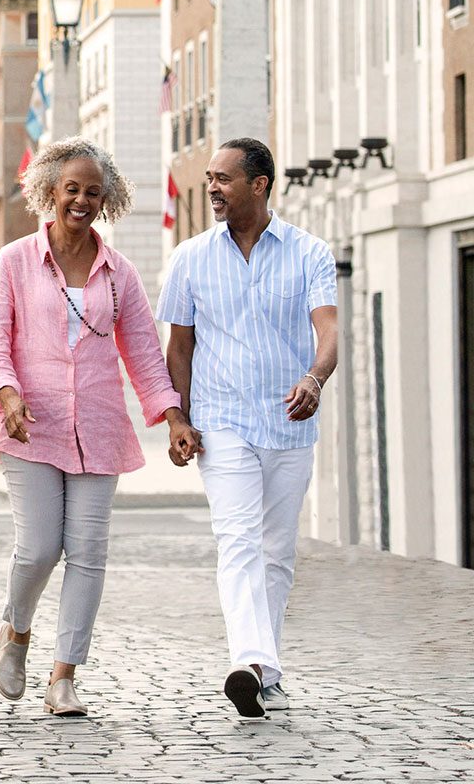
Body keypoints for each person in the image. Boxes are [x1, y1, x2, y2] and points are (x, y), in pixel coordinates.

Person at [0, 138, 198, 717]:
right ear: (51, 190)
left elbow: (146, 357)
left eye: (93, 192)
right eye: (72, 188)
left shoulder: (119, 273)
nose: (81, 200)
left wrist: (174, 416)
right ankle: (16, 630)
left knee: (88, 552)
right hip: (30, 425)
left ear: (107, 201)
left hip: (100, 427)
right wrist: (8, 398)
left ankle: (64, 677)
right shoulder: (15, 261)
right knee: (38, 548)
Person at [159, 137, 337, 719]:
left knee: (277, 552)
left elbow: (329, 334)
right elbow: (179, 346)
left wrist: (314, 379)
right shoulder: (190, 257)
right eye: (209, 177)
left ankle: (265, 669)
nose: (212, 187)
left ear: (259, 185)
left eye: (224, 178)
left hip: (288, 422)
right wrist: (178, 417)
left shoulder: (309, 253)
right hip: (223, 420)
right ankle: (249, 660)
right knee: (237, 541)